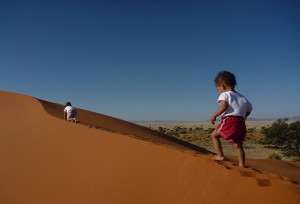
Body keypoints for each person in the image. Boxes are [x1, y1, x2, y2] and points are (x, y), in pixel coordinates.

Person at [210, 71, 252, 167]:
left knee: (214, 135)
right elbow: (249, 109)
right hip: (241, 122)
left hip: (229, 120)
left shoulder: (225, 94)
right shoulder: (242, 97)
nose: (218, 91)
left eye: (218, 89)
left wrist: (214, 115)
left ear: (222, 85)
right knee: (238, 145)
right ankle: (242, 164)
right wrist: (244, 116)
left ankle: (220, 155)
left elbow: (223, 106)